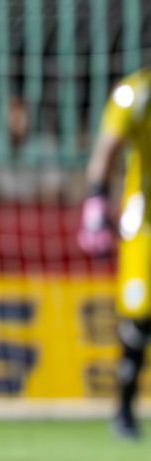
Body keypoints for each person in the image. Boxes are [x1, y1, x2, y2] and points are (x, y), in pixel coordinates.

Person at [80, 70, 151, 439]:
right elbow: (107, 147)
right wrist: (95, 201)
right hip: (145, 225)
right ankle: (124, 407)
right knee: (140, 315)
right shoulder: (134, 94)